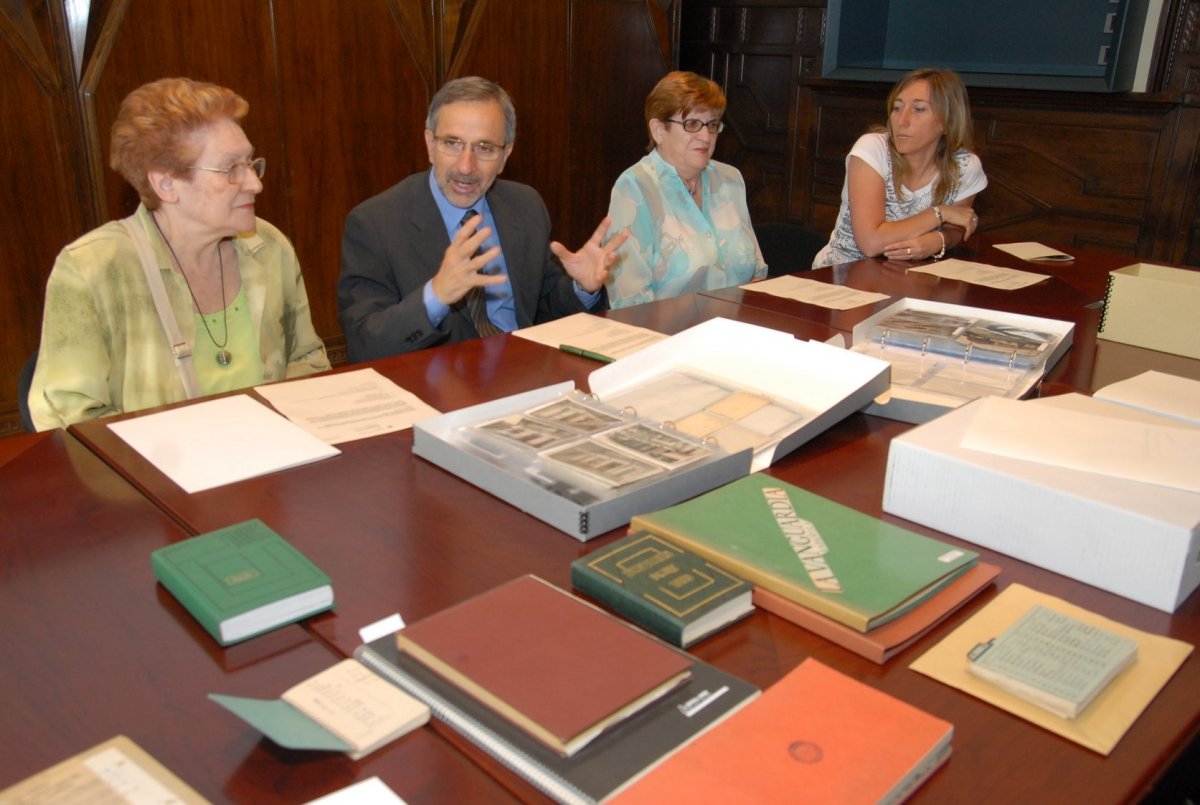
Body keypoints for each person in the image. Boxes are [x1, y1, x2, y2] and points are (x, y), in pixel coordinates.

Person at [28, 78, 329, 431]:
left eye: (250, 163)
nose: (254, 183)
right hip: (150, 481)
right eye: (231, 168)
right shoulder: (91, 269)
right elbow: (68, 421)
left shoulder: (268, 246)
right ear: (166, 184)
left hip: (277, 472)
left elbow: (307, 361)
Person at [338, 76, 628, 362]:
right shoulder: (375, 224)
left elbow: (544, 309)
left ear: (505, 155)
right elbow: (365, 345)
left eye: (484, 148)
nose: (466, 166)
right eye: (452, 143)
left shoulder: (525, 206)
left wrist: (582, 289)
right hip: (439, 393)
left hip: (523, 375)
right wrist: (435, 295)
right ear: (429, 143)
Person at [604, 71, 765, 309]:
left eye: (712, 124)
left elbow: (757, 271)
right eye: (691, 124)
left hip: (736, 332)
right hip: (668, 338)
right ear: (659, 130)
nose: (706, 136)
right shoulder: (635, 188)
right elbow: (630, 304)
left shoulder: (730, 180)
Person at [813, 68, 986, 267]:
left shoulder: (965, 166)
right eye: (897, 108)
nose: (901, 121)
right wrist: (940, 213)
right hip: (842, 275)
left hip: (909, 275)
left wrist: (938, 241)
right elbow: (871, 243)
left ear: (947, 122)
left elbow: (958, 226)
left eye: (919, 109)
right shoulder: (872, 148)